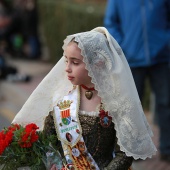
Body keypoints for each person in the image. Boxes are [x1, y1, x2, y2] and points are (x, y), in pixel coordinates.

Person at [12, 27, 156, 170]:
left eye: (75, 62)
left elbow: (124, 153)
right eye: (66, 61)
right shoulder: (61, 99)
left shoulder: (117, 102)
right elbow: (48, 144)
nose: (67, 68)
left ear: (97, 64)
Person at [104, 0, 170, 162]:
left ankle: (167, 149)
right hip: (131, 61)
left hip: (161, 58)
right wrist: (123, 46)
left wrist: (166, 41)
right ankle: (135, 151)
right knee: (131, 107)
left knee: (166, 103)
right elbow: (111, 23)